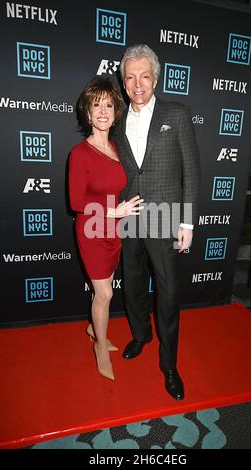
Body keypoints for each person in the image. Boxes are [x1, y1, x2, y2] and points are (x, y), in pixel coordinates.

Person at [113, 45, 201, 400]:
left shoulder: (177, 113)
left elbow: (192, 170)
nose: (137, 84)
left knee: (167, 294)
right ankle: (139, 335)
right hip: (130, 217)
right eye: (130, 77)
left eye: (144, 76)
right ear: (124, 80)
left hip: (166, 219)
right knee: (133, 283)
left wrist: (188, 223)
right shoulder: (116, 117)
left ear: (155, 78)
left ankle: (169, 364)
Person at [69, 77, 144, 381]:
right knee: (105, 294)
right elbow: (76, 202)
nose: (102, 111)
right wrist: (116, 211)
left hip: (112, 230)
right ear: (87, 113)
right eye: (96, 105)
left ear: (116, 112)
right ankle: (100, 346)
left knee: (103, 294)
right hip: (92, 231)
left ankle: (92, 327)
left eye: (109, 105)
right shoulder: (79, 154)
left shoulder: (114, 147)